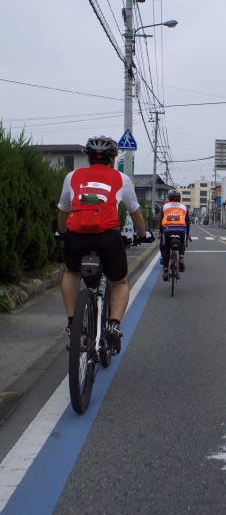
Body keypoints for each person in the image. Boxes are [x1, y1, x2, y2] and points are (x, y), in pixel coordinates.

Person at [56, 136, 154, 354]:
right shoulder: (121, 178)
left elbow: (63, 211)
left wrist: (61, 231)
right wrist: (143, 234)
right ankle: (113, 325)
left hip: (77, 237)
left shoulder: (72, 176)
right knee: (119, 282)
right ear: (112, 158)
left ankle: (73, 324)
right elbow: (135, 213)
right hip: (108, 237)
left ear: (89, 158)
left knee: (72, 274)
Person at [159, 189, 190, 281]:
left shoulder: (164, 207)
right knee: (183, 243)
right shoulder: (184, 207)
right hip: (181, 230)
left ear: (169, 198)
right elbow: (187, 222)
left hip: (167, 230)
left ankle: (165, 270)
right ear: (179, 199)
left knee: (165, 247)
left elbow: (160, 221)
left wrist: (161, 233)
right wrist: (187, 235)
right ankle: (180, 258)